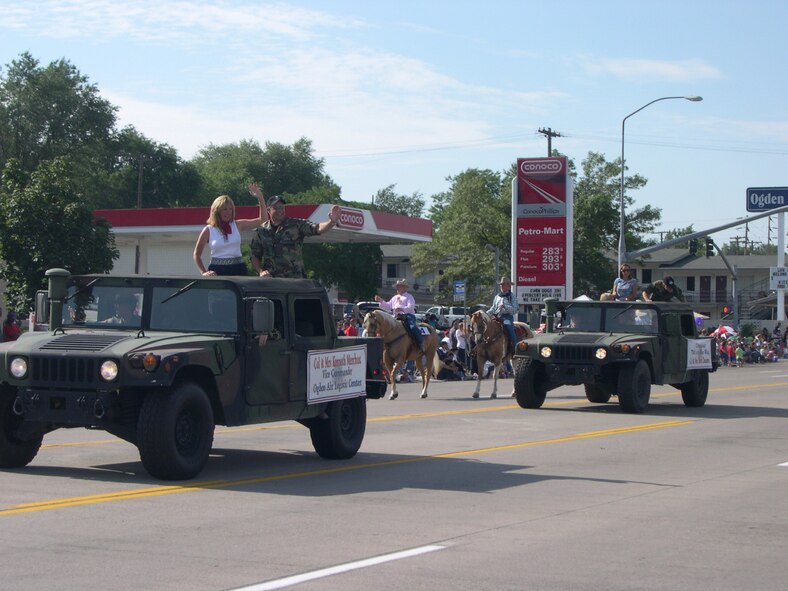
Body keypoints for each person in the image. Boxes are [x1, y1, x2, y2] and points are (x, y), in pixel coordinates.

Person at [250, 194, 341, 278]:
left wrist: (331, 222)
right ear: (269, 210)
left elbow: (318, 228)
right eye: (277, 208)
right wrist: (261, 271)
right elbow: (255, 255)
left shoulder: (296, 225)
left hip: (295, 281)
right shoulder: (262, 231)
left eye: (282, 207)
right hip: (272, 281)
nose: (281, 211)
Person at [193, 185, 266, 276]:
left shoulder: (237, 225)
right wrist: (204, 272)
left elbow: (263, 220)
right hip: (217, 270)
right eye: (224, 209)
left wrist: (260, 198)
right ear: (217, 211)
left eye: (230, 209)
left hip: (238, 268)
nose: (228, 212)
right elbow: (197, 254)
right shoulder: (209, 230)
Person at [374, 278, 424, 351]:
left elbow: (411, 307)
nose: (397, 288)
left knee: (413, 327)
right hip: (396, 317)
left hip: (408, 316)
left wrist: (401, 309)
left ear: (404, 287)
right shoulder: (394, 297)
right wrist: (381, 301)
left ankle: (420, 343)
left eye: (399, 286)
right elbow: (388, 306)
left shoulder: (409, 296)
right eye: (397, 286)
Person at [488, 276, 518, 358]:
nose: (501, 286)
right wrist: (486, 314)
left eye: (503, 284)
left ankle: (514, 347)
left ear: (508, 286)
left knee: (508, 326)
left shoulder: (512, 296)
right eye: (501, 284)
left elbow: (515, 309)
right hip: (497, 316)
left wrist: (505, 307)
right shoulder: (497, 297)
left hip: (507, 317)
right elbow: (493, 308)